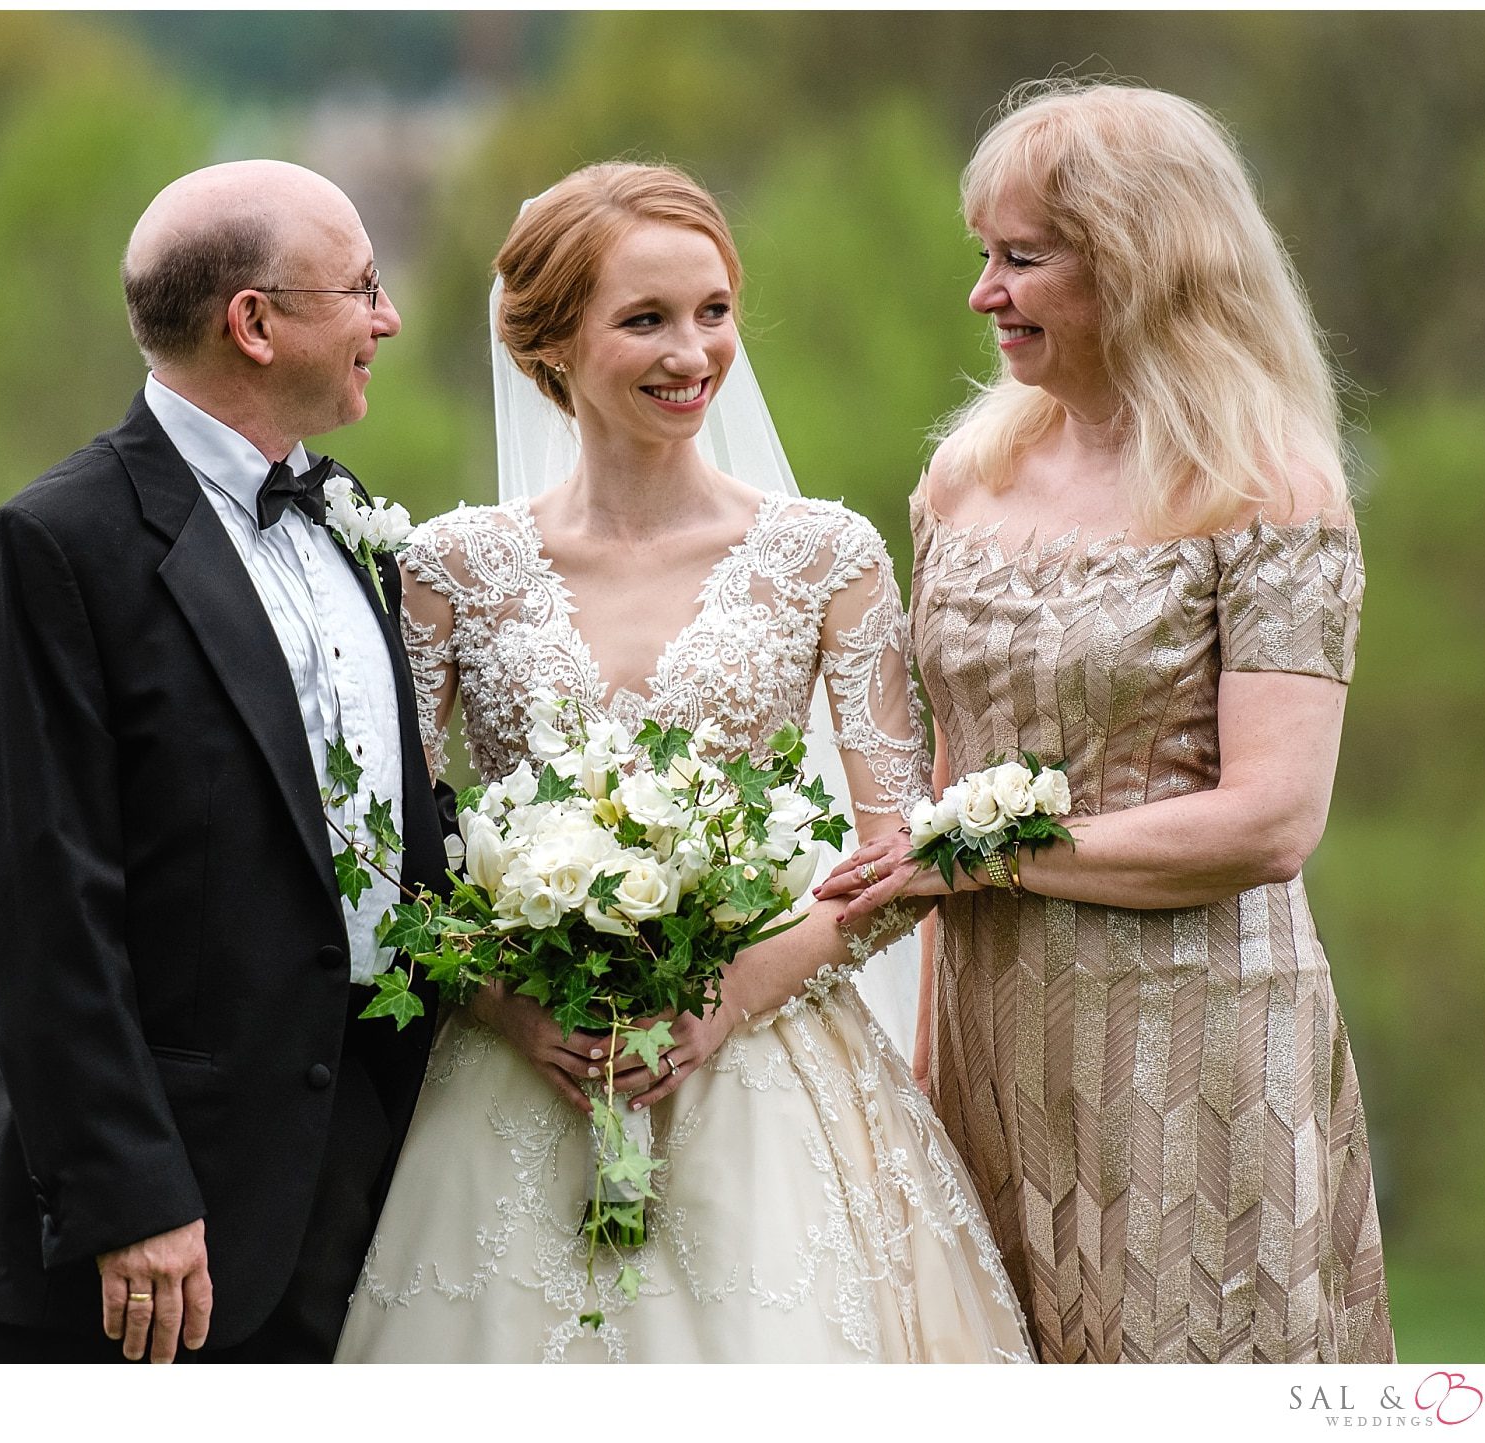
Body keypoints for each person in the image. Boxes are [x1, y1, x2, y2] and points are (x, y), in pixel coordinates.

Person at [334, 162, 1032, 1363]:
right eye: (645, 319)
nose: (691, 352)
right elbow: (384, 855)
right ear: (550, 344)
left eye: (711, 312)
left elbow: (895, 859)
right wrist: (506, 1005)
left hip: (763, 1071)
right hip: (523, 1074)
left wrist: (719, 1005)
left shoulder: (826, 557)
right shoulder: (448, 570)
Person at [820, 80, 1393, 1364]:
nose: (984, 293)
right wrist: (923, 1054)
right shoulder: (964, 476)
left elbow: (1271, 820)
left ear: (1139, 263)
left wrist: (985, 856)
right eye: (984, 254)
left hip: (1196, 1039)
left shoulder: (1270, 490)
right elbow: (953, 766)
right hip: (989, 1030)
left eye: (1022, 259)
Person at [0, 160, 450, 1363]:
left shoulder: (347, 519)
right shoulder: (48, 548)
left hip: (350, 1194)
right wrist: (128, 1195)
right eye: (362, 288)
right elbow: (34, 908)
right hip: (147, 1239)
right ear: (254, 323)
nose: (386, 318)